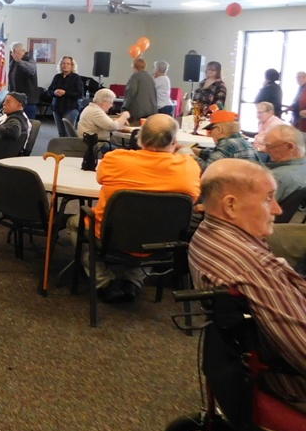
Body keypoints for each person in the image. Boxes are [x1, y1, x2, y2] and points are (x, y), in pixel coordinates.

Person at [187, 159, 306, 409]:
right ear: (231, 205)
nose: (278, 209)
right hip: (291, 381)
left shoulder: (206, 233)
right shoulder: (255, 267)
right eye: (268, 199)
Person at [70, 114, 201, 303]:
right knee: (156, 224)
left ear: (140, 137)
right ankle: (133, 280)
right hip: (162, 241)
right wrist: (180, 151)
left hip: (111, 237)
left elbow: (99, 178)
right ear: (173, 141)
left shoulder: (115, 159)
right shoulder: (190, 167)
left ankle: (103, 282)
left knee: (74, 223)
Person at [193, 110, 263, 170]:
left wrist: (190, 156)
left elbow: (207, 169)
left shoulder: (227, 144)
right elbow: (215, 155)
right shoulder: (244, 142)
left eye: (210, 130)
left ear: (219, 129)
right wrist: (194, 150)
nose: (210, 134)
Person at [261, 124, 306, 204]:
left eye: (269, 146)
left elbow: (256, 208)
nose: (265, 150)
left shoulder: (276, 177)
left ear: (290, 146)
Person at [48, 55, 83, 136]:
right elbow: (49, 91)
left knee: (68, 133)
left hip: (70, 108)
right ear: (60, 65)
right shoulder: (57, 77)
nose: (65, 65)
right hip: (57, 108)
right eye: (63, 63)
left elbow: (79, 94)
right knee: (61, 133)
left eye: (68, 63)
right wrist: (54, 92)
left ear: (72, 66)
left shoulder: (76, 78)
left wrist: (65, 93)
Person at [8, 42, 40, 119]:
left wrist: (19, 61)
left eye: (14, 51)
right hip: (16, 99)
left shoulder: (29, 60)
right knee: (17, 121)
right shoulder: (13, 62)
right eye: (12, 52)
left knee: (29, 122)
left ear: (21, 51)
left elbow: (31, 70)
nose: (12, 54)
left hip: (28, 100)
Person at [122, 57, 157, 124]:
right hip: (151, 111)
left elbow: (130, 92)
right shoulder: (150, 78)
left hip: (138, 111)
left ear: (134, 67)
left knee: (134, 128)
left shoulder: (135, 77)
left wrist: (124, 108)